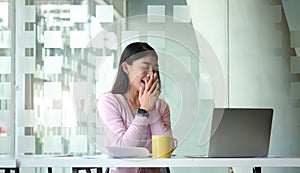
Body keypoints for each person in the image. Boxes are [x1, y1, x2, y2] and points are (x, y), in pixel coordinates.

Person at [97, 42, 173, 173]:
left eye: (155, 69)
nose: (151, 74)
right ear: (126, 68)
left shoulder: (161, 106)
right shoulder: (109, 102)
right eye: (145, 68)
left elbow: (166, 150)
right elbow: (123, 149)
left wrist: (152, 108)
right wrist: (143, 111)